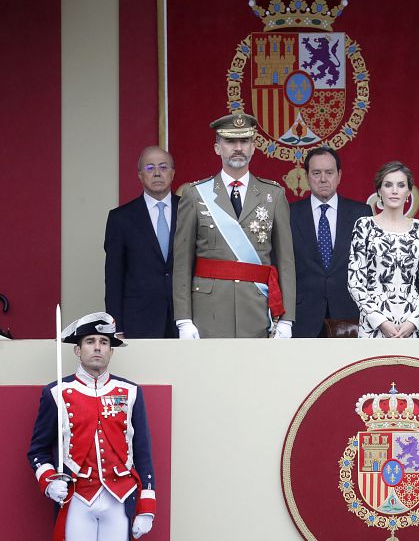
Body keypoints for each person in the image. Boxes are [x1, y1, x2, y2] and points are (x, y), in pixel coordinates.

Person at [27, 312, 156, 540]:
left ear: (111, 351)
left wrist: (147, 507)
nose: (97, 347)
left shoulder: (131, 392)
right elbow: (38, 450)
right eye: (90, 341)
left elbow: (143, 453)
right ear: (77, 350)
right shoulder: (56, 392)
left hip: (120, 497)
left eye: (104, 342)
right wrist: (49, 481)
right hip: (77, 498)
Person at [172, 113, 296, 338]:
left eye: (244, 141)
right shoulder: (195, 194)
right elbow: (182, 262)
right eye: (230, 141)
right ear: (217, 148)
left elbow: (286, 262)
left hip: (257, 310)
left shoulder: (274, 195)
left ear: (253, 147)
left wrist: (287, 320)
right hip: (208, 312)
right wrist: (183, 320)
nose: (238, 148)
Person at [290, 146, 372, 337]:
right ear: (306, 176)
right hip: (302, 316)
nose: (323, 179)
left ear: (339, 175)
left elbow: (369, 267)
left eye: (329, 172)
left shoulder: (361, 213)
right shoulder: (290, 214)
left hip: (350, 315)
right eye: (316, 173)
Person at [347, 162, 419, 338]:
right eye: (388, 185)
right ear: (379, 191)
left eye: (401, 185)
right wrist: (381, 322)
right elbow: (355, 282)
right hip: (373, 326)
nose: (394, 191)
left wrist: (413, 322)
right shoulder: (364, 226)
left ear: (409, 192)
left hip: (411, 326)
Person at [104, 146, 179, 339]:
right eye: (149, 168)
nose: (157, 173)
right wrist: (116, 328)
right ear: (140, 175)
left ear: (172, 173)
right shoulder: (121, 218)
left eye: (163, 167)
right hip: (139, 321)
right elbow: (114, 279)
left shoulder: (189, 210)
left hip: (184, 320)